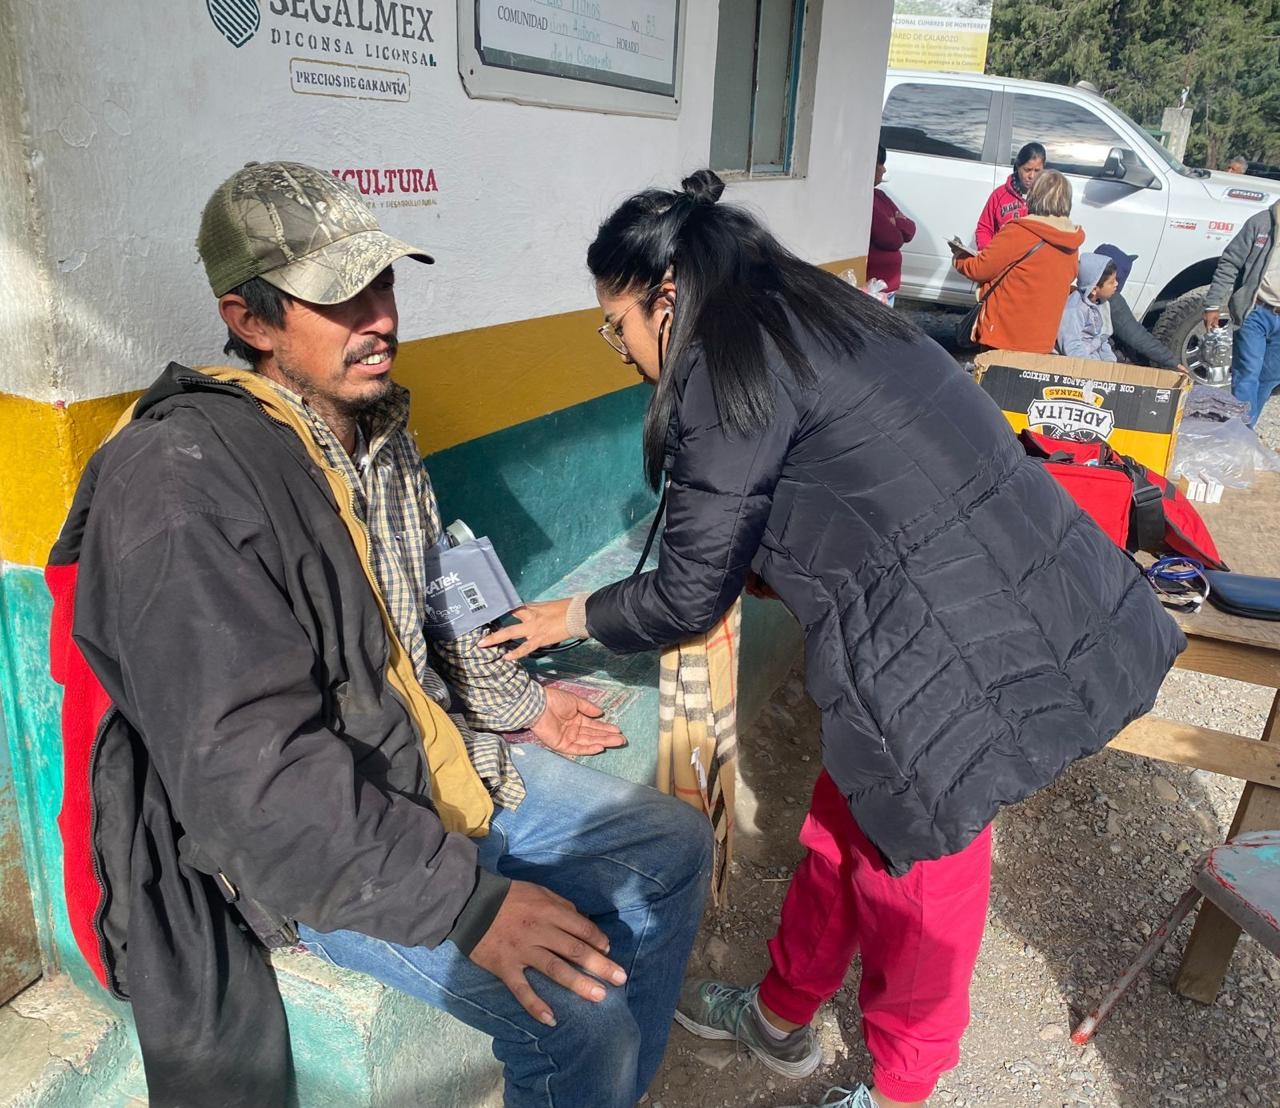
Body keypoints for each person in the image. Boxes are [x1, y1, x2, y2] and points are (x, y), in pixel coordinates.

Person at [481, 169, 1183, 1108]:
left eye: (617, 327)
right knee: (841, 828)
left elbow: (689, 594)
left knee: (919, 882)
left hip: (960, 647)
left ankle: (899, 1090)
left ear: (669, 296)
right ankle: (780, 1017)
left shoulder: (728, 368)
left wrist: (566, 617)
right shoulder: (807, 311)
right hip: (964, 603)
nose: (621, 351)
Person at [47, 161, 711, 1108]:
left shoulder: (375, 425)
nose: (382, 318)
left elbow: (430, 609)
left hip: (433, 761)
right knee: (577, 1020)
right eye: (340, 297)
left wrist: (529, 707)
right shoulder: (180, 485)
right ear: (249, 320)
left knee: (672, 845)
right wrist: (468, 904)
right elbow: (250, 778)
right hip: (313, 846)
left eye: (384, 282)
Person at [951, 170, 1085, 353]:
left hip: (1004, 335)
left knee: (991, 380)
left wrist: (959, 258)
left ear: (1034, 195)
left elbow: (980, 269)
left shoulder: (1019, 231)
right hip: (1042, 341)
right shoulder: (1071, 243)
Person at [1202, 197, 1280, 425]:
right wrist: (1213, 304)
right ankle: (1240, 431)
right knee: (1247, 374)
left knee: (1270, 378)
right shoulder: (1261, 223)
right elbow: (1230, 262)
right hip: (1255, 311)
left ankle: (1246, 426)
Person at [1093, 243, 1188, 371]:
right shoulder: (1111, 301)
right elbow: (1137, 337)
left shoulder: (1080, 294)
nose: (1116, 284)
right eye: (1112, 280)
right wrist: (1172, 361)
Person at [867, 144, 916, 306]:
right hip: (872, 288)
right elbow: (891, 239)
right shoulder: (867, 200)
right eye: (881, 164)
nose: (884, 170)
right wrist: (896, 225)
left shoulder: (880, 196)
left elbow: (910, 229)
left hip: (889, 287)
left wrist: (897, 223)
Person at [974, 141, 1045, 250]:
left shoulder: (1047, 197)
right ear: (1017, 166)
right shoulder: (999, 195)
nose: (1031, 176)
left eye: (1037, 171)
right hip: (1001, 259)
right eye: (1027, 170)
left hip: (1032, 262)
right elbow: (984, 229)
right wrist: (988, 255)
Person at [1057, 252, 1120, 360]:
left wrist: (1110, 364)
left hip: (1094, 361)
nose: (1116, 284)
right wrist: (1093, 368)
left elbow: (1101, 339)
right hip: (1079, 364)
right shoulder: (1074, 310)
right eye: (1111, 282)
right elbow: (1072, 348)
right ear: (1094, 289)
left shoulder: (1102, 304)